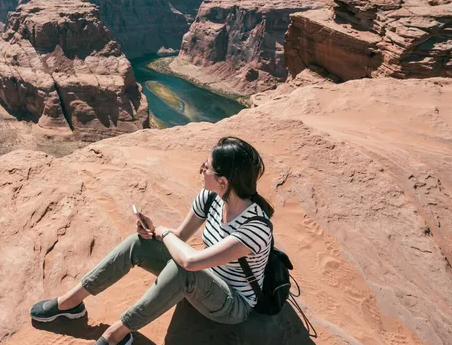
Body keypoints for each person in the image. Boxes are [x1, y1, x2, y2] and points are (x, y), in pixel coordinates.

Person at [30, 136, 274, 345]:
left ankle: (117, 335)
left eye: (206, 167)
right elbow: (180, 237)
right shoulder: (210, 198)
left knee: (183, 270)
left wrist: (164, 233)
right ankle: (71, 302)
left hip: (232, 304)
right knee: (138, 243)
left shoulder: (254, 228)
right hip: (203, 278)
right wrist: (153, 232)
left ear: (223, 181)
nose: (201, 169)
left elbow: (190, 263)